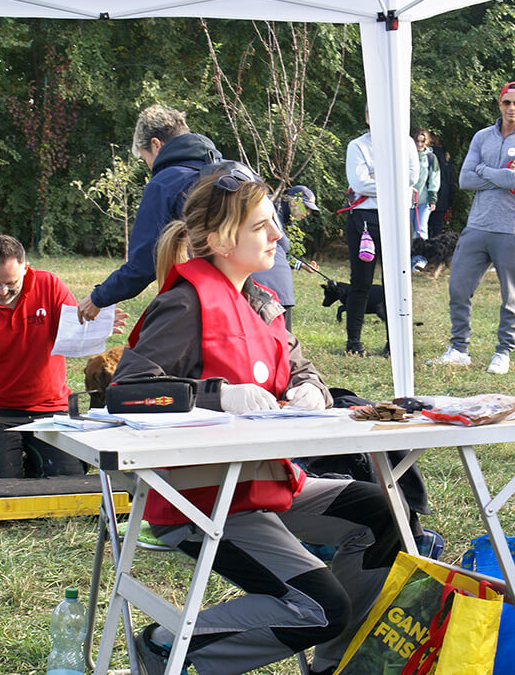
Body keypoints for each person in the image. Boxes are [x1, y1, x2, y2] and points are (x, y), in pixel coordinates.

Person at [112, 169, 402, 675]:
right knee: (322, 609)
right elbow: (127, 391)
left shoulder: (263, 302)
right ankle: (164, 646)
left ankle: (333, 665)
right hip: (200, 502)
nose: (277, 235)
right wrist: (217, 396)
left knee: (380, 513)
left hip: (268, 485)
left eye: (274, 222)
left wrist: (311, 389)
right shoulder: (184, 303)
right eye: (262, 226)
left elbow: (301, 368)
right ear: (222, 240)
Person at [0, 234, 125, 478]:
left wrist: (97, 327)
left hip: (51, 406)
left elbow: (73, 333)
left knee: (67, 480)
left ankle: (33, 458)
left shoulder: (50, 286)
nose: (3, 291)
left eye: (11, 283)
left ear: (26, 268)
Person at [429, 81, 515, 375]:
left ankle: (503, 352)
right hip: (478, 225)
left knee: (510, 295)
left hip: (512, 228)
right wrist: (498, 173)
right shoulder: (482, 137)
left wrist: (484, 170)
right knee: (458, 287)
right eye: (507, 102)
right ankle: (459, 349)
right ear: (499, 104)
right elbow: (465, 180)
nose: (511, 108)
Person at [77, 104, 221, 324]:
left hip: (218, 297)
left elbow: (144, 263)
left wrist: (97, 298)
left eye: (145, 159)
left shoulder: (166, 182)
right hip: (266, 294)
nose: (149, 167)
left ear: (156, 144)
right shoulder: (235, 172)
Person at [343, 107, 419, 356]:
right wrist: (394, 178)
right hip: (365, 218)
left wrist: (377, 175)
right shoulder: (357, 146)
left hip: (398, 217)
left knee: (396, 282)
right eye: (373, 112)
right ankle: (354, 342)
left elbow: (412, 177)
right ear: (367, 116)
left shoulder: (406, 143)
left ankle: (395, 344)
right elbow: (359, 182)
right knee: (361, 281)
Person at [250, 184, 320, 332]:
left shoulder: (279, 213)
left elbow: (280, 251)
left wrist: (301, 265)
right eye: (306, 208)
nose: (307, 213)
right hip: (267, 290)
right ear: (293, 202)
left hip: (278, 292)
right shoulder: (271, 209)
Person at [411, 127, 440, 241]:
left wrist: (432, 199)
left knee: (421, 229)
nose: (419, 144)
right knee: (409, 230)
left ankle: (421, 252)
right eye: (417, 141)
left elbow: (434, 179)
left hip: (424, 200)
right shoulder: (407, 156)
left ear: (426, 142)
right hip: (408, 200)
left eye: (422, 141)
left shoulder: (431, 158)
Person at [427, 134, 456, 237]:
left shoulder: (427, 155)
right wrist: (450, 201)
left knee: (423, 227)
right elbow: (450, 181)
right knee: (437, 229)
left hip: (426, 196)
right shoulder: (446, 157)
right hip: (443, 197)